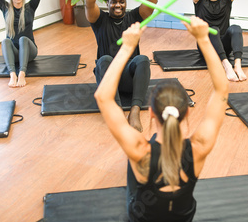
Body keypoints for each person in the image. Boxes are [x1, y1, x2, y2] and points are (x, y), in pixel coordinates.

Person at [94, 18, 228, 221]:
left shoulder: (141, 151)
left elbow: (103, 97)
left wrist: (127, 47)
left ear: (153, 114)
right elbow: (222, 90)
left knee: (133, 160)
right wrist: (203, 39)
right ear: (187, 113)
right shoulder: (199, 147)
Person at [86, 0, 157, 132]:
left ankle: (134, 111)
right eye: (113, 2)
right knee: (104, 60)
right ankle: (116, 111)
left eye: (121, 2)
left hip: (128, 80)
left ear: (126, 3)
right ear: (107, 3)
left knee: (142, 59)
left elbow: (152, 2)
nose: (117, 5)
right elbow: (89, 3)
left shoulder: (134, 17)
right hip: (108, 80)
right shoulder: (99, 19)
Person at [192, 0, 246, 82]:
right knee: (213, 30)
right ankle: (226, 65)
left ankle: (238, 66)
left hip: (223, 46)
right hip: (206, 45)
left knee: (235, 28)